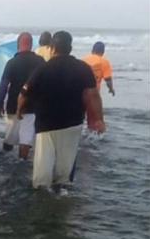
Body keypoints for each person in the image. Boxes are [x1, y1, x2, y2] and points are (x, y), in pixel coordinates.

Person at [17, 31, 106, 189]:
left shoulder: (43, 69)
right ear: (70, 48)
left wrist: (19, 111)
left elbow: (24, 94)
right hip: (73, 124)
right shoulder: (83, 68)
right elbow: (93, 95)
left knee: (41, 178)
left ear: (52, 48)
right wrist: (99, 120)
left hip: (46, 126)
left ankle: (44, 203)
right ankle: (62, 198)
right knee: (64, 175)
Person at [0, 32, 45, 159]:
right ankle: (21, 162)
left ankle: (6, 160)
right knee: (26, 140)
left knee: (9, 138)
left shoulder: (12, 62)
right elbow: (46, 84)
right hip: (32, 106)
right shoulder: (40, 61)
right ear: (31, 44)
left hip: (13, 105)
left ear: (18, 44)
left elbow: (4, 85)